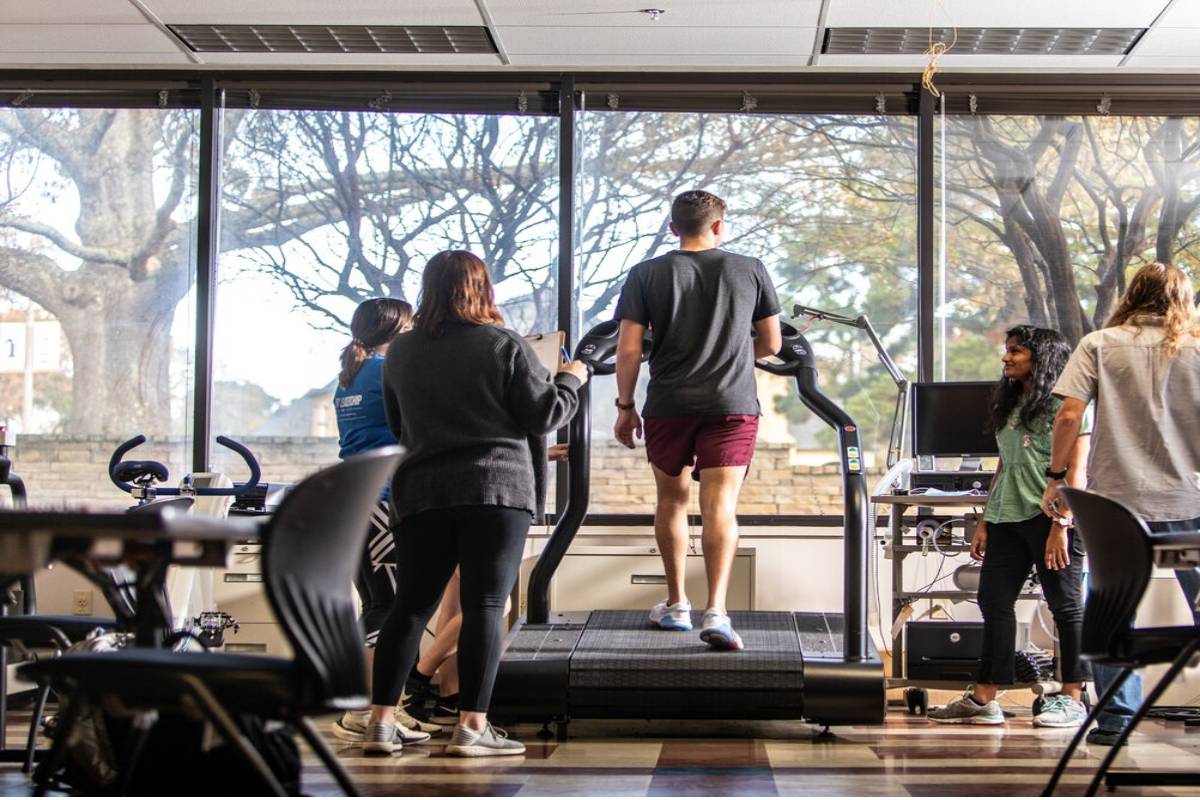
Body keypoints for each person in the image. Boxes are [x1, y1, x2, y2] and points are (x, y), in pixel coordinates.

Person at [363, 250, 588, 757]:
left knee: (410, 606)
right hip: (496, 491)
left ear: (428, 289)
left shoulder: (400, 351)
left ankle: (380, 722)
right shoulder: (502, 343)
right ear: (482, 288)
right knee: (485, 605)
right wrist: (572, 377)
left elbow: (400, 425)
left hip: (421, 491)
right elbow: (544, 412)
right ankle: (471, 728)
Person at [613, 189, 782, 650]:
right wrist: (730, 352)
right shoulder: (749, 268)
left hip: (669, 403)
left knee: (671, 501)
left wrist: (625, 407)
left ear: (673, 228)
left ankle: (677, 604)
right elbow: (772, 344)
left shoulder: (646, 273)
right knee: (720, 506)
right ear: (719, 226)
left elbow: (628, 350)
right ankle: (717, 612)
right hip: (732, 403)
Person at [1041, 262, 1200, 747]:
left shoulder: (1100, 344)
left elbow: (1070, 413)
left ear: (1132, 294)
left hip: (1117, 505)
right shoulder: (1197, 347)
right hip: (1189, 501)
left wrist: (1055, 478)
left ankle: (1114, 722)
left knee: (1112, 606)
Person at [927, 326, 1091, 727]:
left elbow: (1078, 470)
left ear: (1042, 356)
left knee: (1065, 607)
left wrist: (1061, 524)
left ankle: (1073, 695)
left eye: (1015, 351)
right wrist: (986, 518)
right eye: (1007, 351)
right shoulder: (1013, 402)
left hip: (1052, 519)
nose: (1006, 358)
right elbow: (1005, 463)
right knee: (993, 602)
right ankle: (985, 699)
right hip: (1006, 517)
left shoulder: (1067, 404)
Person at [329, 298, 432, 745]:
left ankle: (376, 709)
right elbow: (423, 427)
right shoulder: (385, 370)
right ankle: (370, 713)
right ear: (401, 328)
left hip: (354, 498)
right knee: (385, 610)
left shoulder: (351, 375)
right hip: (379, 499)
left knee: (375, 605)